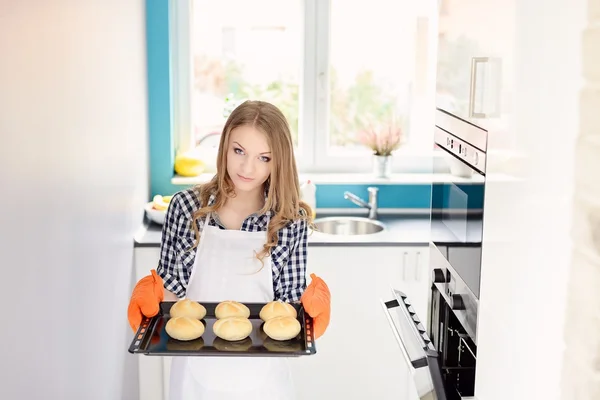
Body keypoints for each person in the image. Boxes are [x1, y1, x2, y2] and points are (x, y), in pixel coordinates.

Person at [127, 100, 331, 400]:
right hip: (194, 376)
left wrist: (309, 315)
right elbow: (173, 297)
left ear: (279, 162)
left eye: (264, 158)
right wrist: (153, 300)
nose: (248, 168)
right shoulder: (186, 208)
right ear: (224, 147)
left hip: (264, 381)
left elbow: (287, 313)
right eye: (239, 151)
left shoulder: (290, 222)